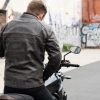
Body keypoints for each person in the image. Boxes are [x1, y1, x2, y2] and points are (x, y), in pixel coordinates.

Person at [0, 0, 62, 100]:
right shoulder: (45, 28)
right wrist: (44, 76)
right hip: (33, 86)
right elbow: (56, 57)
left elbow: (1, 52)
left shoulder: (7, 26)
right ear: (41, 14)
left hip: (10, 86)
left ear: (28, 9)